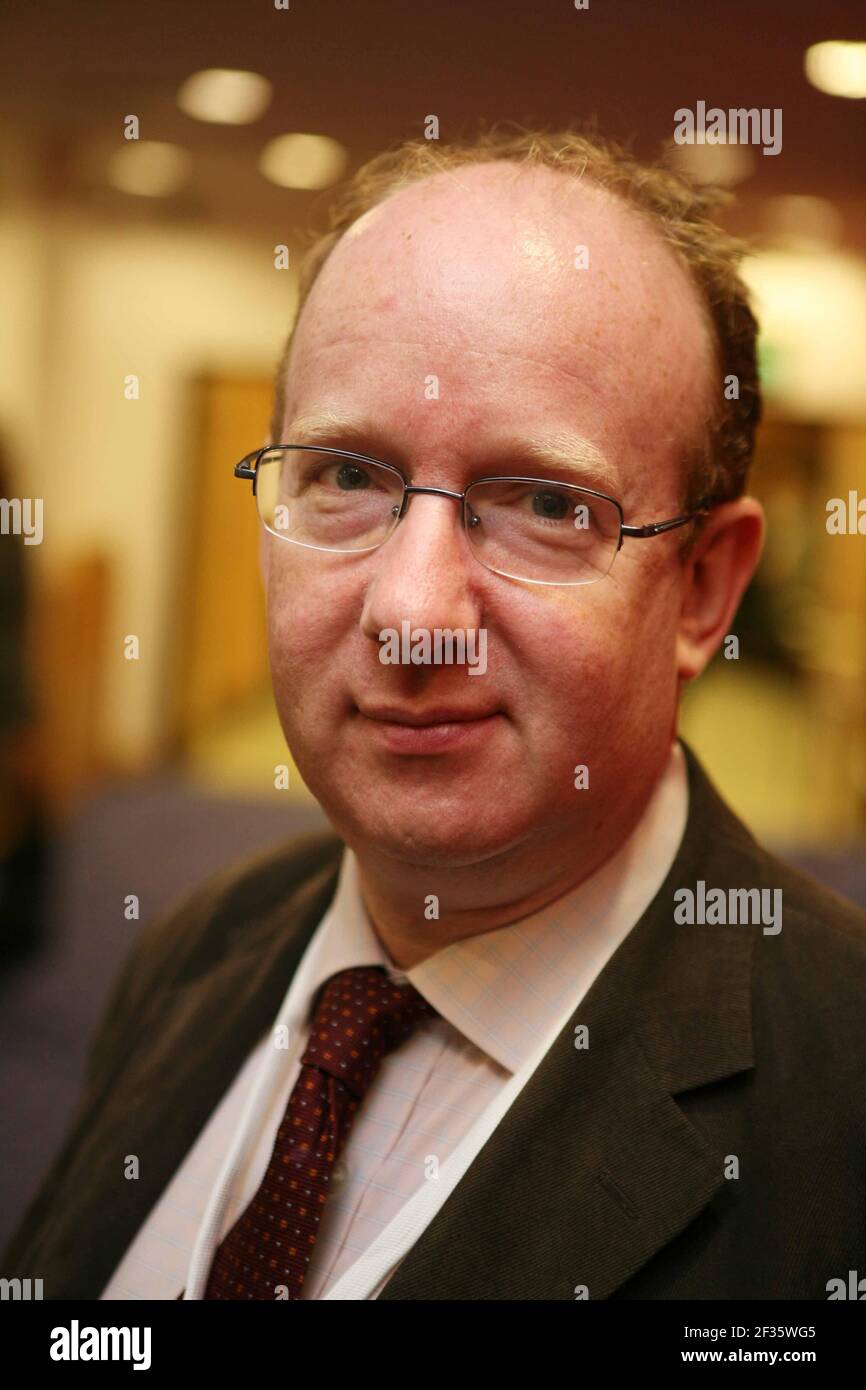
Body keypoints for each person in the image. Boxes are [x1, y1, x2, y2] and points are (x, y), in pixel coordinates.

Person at [5, 128, 866, 1301]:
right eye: (346, 477)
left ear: (702, 589)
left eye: (545, 504)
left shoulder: (837, 1106)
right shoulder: (201, 943)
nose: (411, 614)